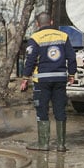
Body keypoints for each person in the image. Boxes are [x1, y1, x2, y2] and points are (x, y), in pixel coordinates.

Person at [21, 12, 76, 152]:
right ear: (51, 22)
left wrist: (25, 78)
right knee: (60, 109)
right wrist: (72, 74)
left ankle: (43, 144)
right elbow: (71, 56)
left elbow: (31, 60)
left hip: (42, 80)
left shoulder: (35, 38)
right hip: (60, 79)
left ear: (37, 24)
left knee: (42, 110)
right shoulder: (63, 36)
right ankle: (61, 145)